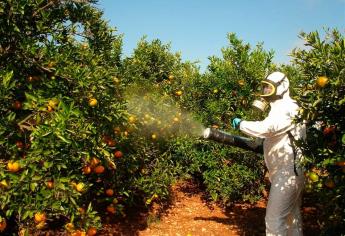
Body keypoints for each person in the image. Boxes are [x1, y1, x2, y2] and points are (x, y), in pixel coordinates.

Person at [232, 71, 306, 236]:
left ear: (283, 86)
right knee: (292, 219)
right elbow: (276, 135)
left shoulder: (290, 109)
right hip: (287, 172)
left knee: (274, 221)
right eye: (264, 87)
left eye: (269, 87)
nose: (265, 91)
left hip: (288, 173)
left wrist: (242, 124)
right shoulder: (279, 109)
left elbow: (268, 128)